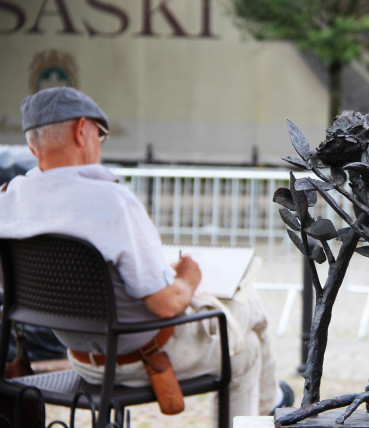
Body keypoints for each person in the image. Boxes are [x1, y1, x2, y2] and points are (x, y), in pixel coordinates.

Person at [0, 87, 293, 426]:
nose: (100, 144)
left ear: (33, 145)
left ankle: (271, 404)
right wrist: (188, 278)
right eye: (100, 134)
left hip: (80, 355)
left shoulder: (8, 200)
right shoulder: (113, 203)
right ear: (82, 130)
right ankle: (272, 405)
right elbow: (166, 305)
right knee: (248, 326)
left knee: (245, 335)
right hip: (141, 357)